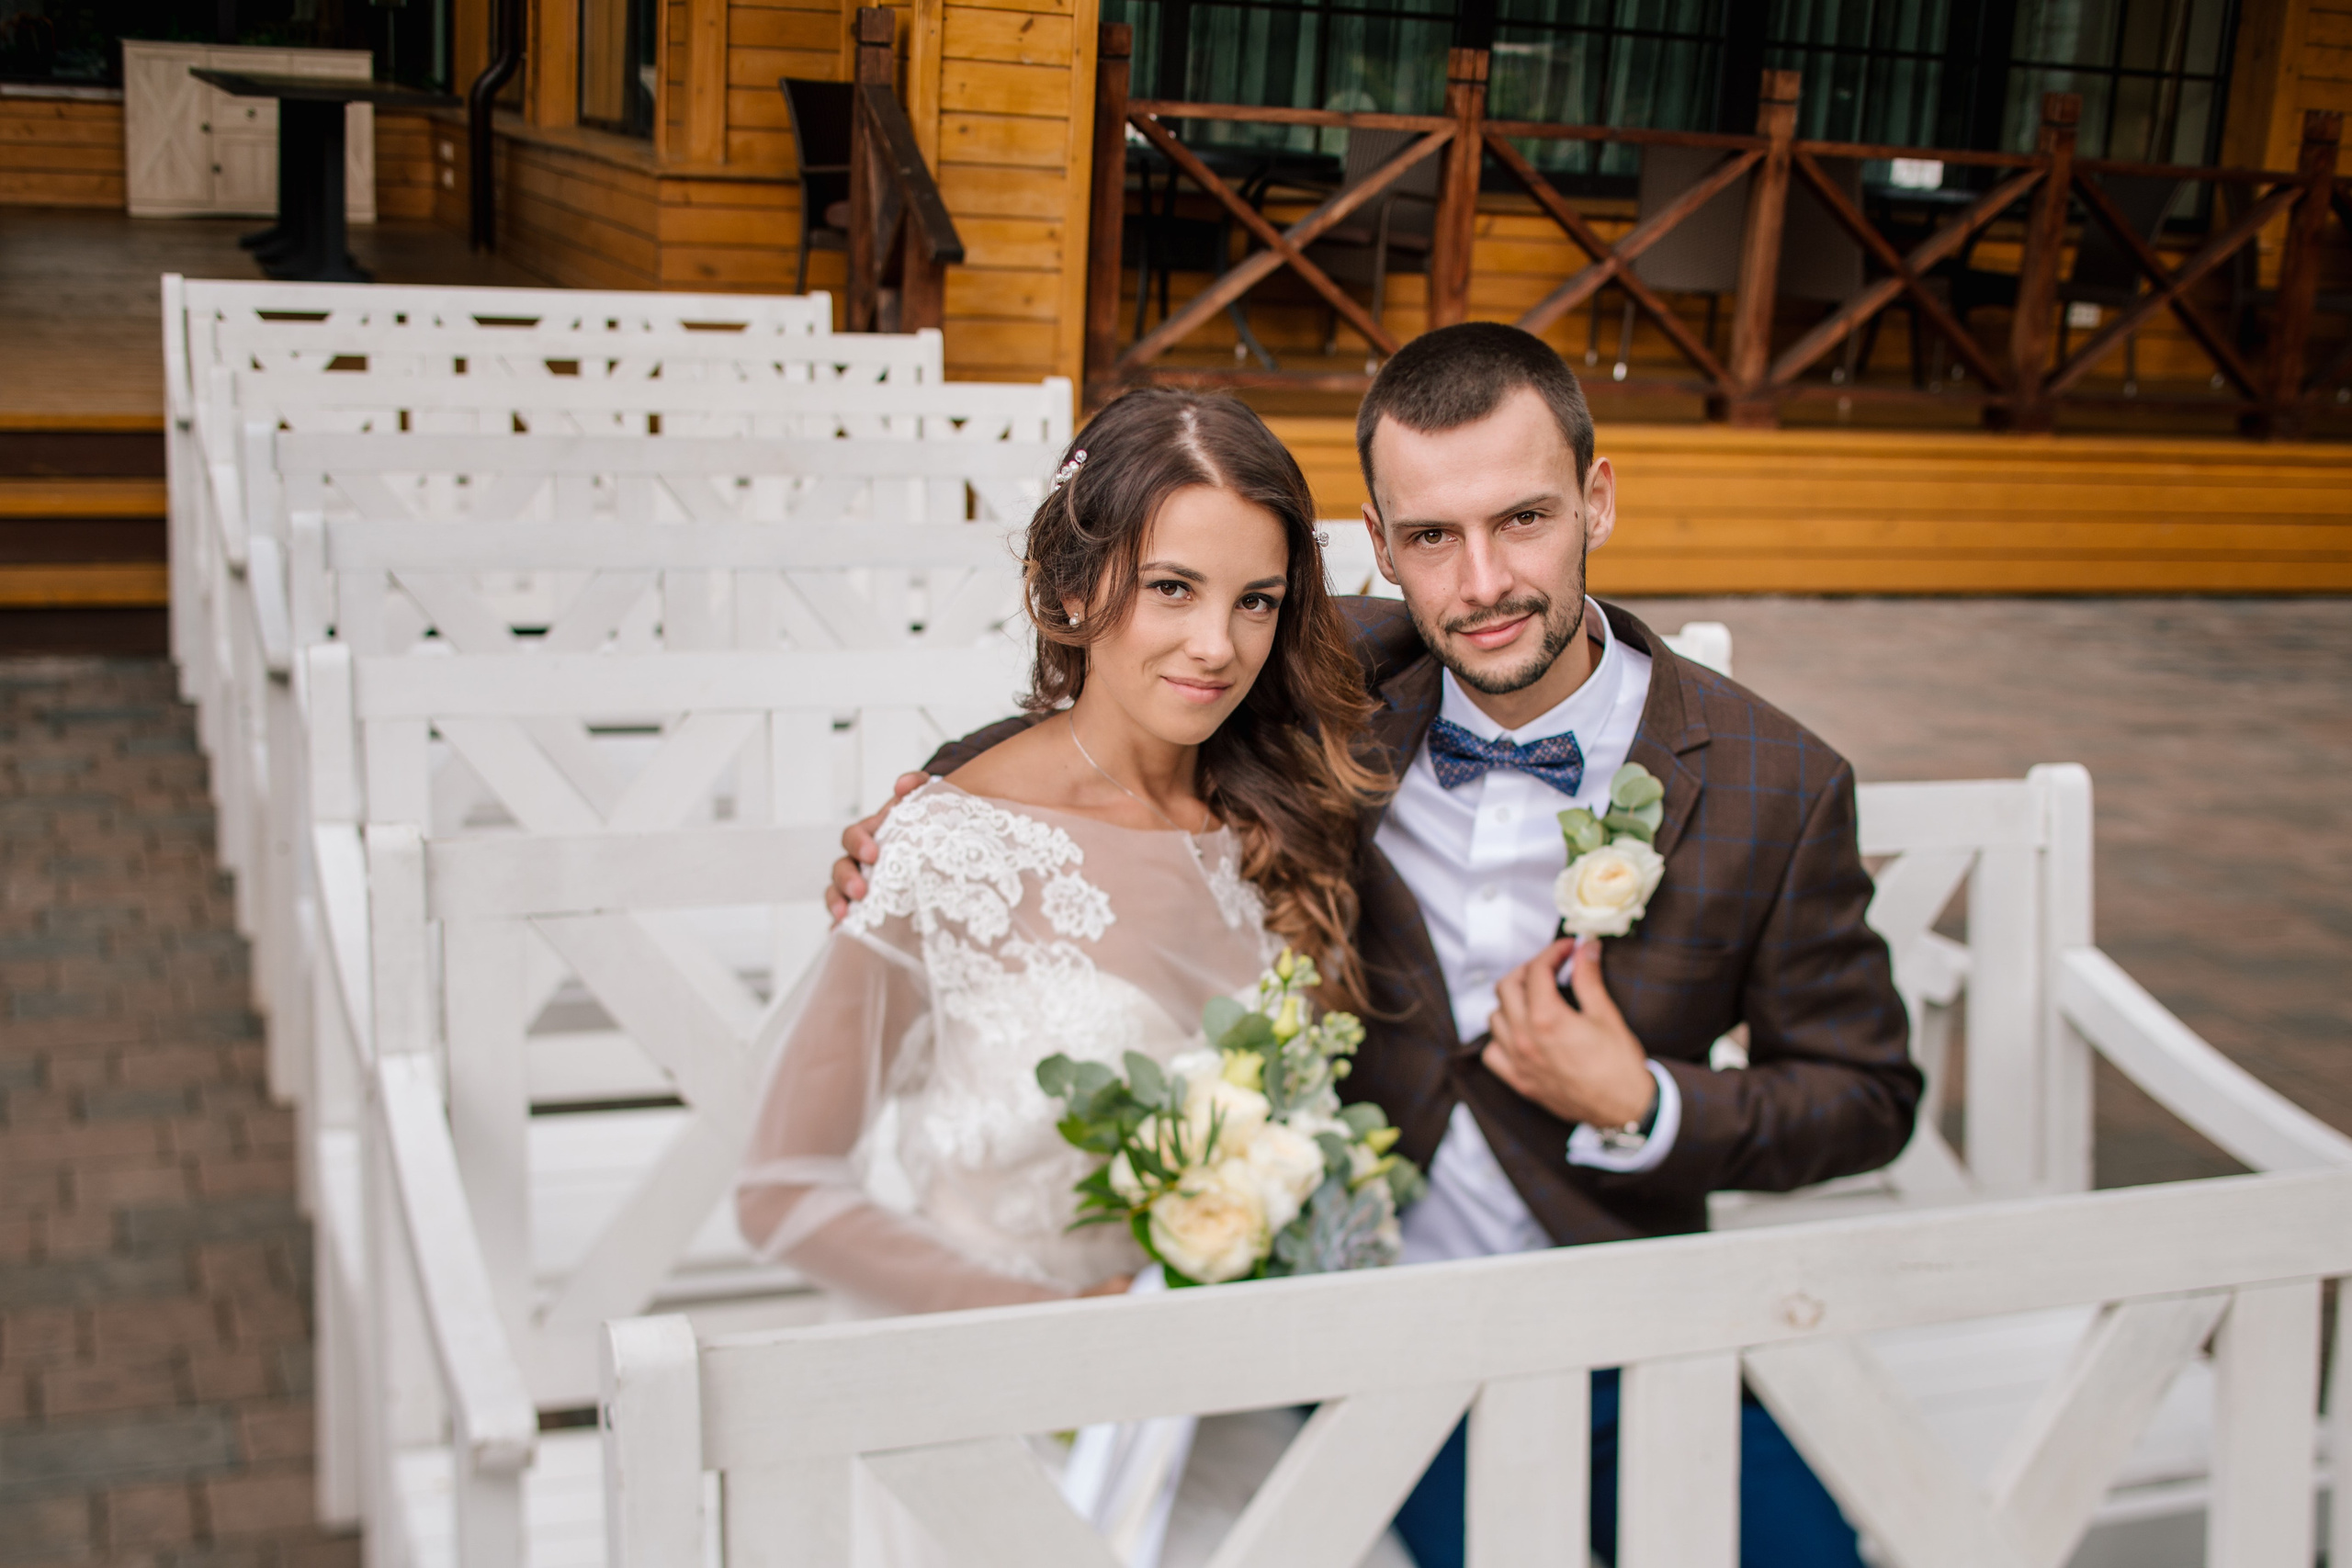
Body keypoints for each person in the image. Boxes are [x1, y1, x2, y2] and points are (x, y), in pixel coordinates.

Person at [829, 323, 1924, 1568]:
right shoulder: (1329, 666)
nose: (1482, 583)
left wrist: (1649, 1103)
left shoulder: (1776, 780)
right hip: (1362, 1318)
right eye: (1431, 539)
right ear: (1380, 540)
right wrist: (944, 807)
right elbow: (1118, 704)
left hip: (1625, 1305)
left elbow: (1867, 1095)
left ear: (1597, 500)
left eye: (1524, 521)